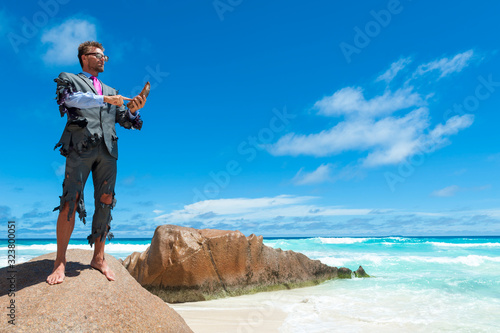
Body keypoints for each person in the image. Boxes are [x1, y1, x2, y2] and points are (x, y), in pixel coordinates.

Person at [46, 41, 147, 285]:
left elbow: (123, 119)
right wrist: (105, 99)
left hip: (108, 151)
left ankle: (98, 257)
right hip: (80, 147)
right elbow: (69, 100)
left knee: (106, 202)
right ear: (84, 57)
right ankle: (60, 261)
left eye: (105, 56)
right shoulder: (69, 78)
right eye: (98, 55)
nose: (103, 59)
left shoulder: (112, 90)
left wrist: (132, 110)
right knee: (70, 200)